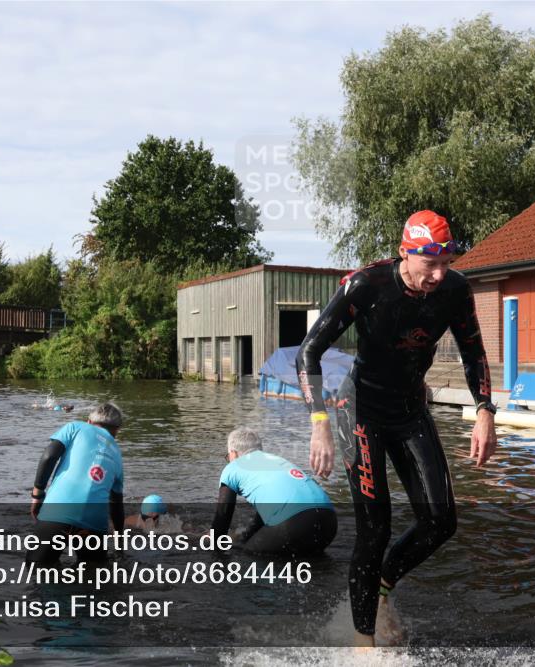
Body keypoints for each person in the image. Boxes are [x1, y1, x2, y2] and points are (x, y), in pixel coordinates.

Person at [295, 209, 498, 647]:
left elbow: (474, 352)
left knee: (441, 521)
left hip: (410, 409)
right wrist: (319, 423)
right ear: (406, 254)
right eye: (431, 263)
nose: (440, 274)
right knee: (376, 526)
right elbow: (308, 352)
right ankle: (362, 642)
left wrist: (485, 410)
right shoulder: (367, 285)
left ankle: (384, 582)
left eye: (448, 262)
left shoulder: (456, 291)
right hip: (361, 409)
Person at [211, 427, 336, 557]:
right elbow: (270, 512)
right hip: (329, 523)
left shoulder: (233, 467)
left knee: (244, 555)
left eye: (228, 457)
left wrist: (211, 546)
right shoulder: (277, 461)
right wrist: (247, 536)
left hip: (294, 524)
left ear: (233, 453)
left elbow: (223, 517)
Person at [28, 402, 125, 564]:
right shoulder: (117, 455)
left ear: (89, 421)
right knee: (93, 578)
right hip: (93, 525)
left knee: (37, 570)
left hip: (57, 512)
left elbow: (49, 457)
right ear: (116, 430)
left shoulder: (75, 427)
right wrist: (119, 543)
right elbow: (116, 504)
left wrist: (37, 495)